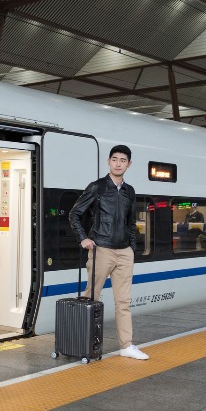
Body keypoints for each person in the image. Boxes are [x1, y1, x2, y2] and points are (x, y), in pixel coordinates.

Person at [68, 145, 149, 360]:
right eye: (115, 159)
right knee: (91, 297)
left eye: (123, 160)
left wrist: (132, 248)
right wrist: (83, 238)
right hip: (101, 249)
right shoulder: (97, 187)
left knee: (124, 302)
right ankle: (80, 342)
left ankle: (126, 345)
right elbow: (74, 214)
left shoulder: (130, 192)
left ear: (129, 164)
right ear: (108, 162)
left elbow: (132, 223)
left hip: (124, 252)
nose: (118, 163)